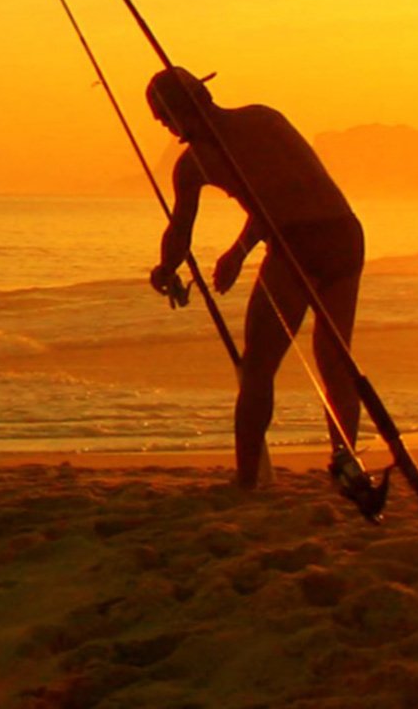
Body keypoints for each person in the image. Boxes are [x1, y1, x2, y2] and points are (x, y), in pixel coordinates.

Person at [144, 67, 364, 489]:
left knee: (259, 366)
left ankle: (251, 480)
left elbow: (282, 198)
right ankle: (345, 466)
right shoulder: (229, 142)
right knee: (333, 360)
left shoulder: (244, 133)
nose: (169, 129)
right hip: (342, 234)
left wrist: (234, 254)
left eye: (167, 118)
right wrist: (171, 267)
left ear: (184, 111)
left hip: (307, 240)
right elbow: (183, 229)